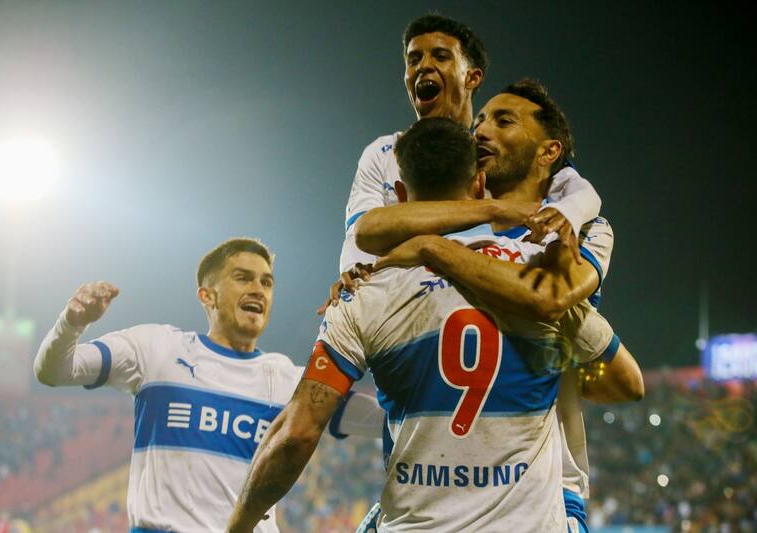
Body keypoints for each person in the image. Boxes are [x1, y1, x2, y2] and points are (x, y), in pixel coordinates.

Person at [228, 119, 623, 533]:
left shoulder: (363, 289)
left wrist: (238, 526)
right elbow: (626, 383)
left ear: (399, 196)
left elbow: (297, 434)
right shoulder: (539, 275)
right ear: (478, 186)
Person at [353, 80, 645, 532]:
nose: (481, 130)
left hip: (541, 493)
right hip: (427, 496)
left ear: (550, 152)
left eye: (502, 121)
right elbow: (369, 231)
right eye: (480, 121)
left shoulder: (580, 232)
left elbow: (552, 297)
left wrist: (432, 249)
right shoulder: (455, 219)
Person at [33, 238, 383, 533]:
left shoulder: (291, 381)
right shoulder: (156, 349)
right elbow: (55, 371)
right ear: (207, 295)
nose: (257, 290)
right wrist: (72, 322)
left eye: (266, 282)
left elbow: (382, 420)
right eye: (243, 278)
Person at [328, 14, 601, 307]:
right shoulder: (383, 152)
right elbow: (363, 233)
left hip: (491, 297)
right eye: (413, 59)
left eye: (441, 56)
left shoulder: (493, 153)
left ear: (472, 77)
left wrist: (570, 212)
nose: (424, 66)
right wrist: (355, 273)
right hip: (401, 300)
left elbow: (576, 189)